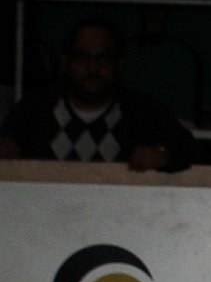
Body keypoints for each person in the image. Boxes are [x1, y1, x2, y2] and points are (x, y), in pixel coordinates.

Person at [0, 17, 196, 170]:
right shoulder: (34, 110)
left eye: (104, 59)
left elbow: (190, 148)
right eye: (82, 58)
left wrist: (164, 156)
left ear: (119, 64)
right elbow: (7, 141)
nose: (93, 68)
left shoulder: (141, 111)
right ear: (65, 62)